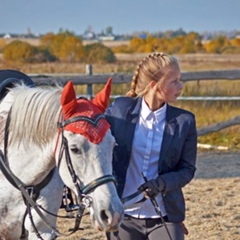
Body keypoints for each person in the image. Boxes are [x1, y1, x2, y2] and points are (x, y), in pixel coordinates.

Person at [105, 52, 197, 240]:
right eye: (174, 81)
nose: (180, 86)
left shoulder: (185, 121)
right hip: (123, 214)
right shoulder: (120, 110)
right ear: (154, 85)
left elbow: (187, 170)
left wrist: (161, 184)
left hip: (165, 215)